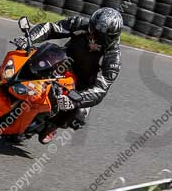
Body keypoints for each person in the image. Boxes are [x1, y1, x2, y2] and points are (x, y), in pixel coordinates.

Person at [13, 7, 123, 144]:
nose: (92, 37)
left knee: (78, 117)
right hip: (63, 62)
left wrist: (76, 100)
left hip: (82, 85)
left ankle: (49, 126)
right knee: (34, 59)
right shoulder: (79, 24)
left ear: (111, 38)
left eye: (99, 36)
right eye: (92, 31)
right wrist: (28, 39)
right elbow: (51, 28)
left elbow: (101, 89)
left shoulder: (112, 59)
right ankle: (13, 82)